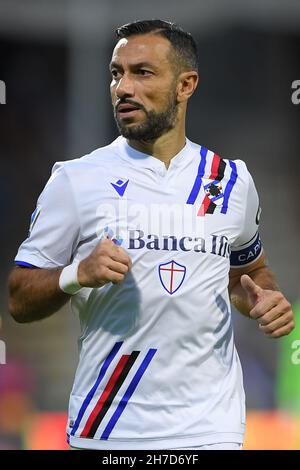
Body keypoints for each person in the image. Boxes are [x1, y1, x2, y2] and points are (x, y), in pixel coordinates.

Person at [8, 20, 294, 451]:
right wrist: (76, 274)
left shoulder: (231, 181)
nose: (124, 87)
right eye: (116, 73)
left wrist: (263, 299)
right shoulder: (76, 180)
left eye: (142, 72)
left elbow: (249, 271)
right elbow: (18, 298)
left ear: (186, 85)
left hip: (211, 428)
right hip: (109, 428)